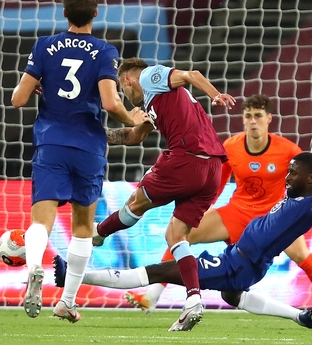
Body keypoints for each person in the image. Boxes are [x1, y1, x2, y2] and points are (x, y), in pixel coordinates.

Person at [55, 133, 312, 329]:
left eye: (292, 174)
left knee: (156, 271)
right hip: (239, 256)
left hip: (240, 263)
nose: (286, 177)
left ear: (310, 179)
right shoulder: (301, 189)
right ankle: (302, 317)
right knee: (232, 295)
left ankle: (75, 274)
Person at [128, 88, 312, 321]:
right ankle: (152, 296)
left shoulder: (287, 150)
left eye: (258, 115)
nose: (253, 121)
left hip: (273, 218)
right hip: (237, 213)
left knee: (302, 256)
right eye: (248, 116)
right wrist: (202, 208)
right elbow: (216, 182)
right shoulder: (231, 146)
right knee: (181, 233)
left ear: (269, 119)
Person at [10, 0, 148, 323]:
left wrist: (41, 84)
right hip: (88, 145)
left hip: (50, 142)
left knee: (41, 218)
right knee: (83, 225)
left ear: (64, 12)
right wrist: (130, 117)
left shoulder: (44, 47)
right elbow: (109, 101)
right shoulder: (104, 51)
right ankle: (67, 301)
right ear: (96, 13)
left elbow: (18, 99)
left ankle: (33, 271)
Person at [92, 57, 236, 331]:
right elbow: (134, 137)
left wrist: (216, 95)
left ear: (127, 80)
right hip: (212, 168)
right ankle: (194, 299)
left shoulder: (149, 77)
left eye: (124, 91)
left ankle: (97, 234)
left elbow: (192, 74)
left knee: (136, 204)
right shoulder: (153, 103)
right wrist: (94, 134)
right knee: (176, 236)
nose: (127, 97)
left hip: (186, 159)